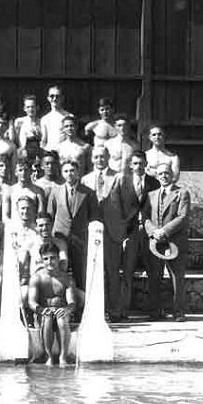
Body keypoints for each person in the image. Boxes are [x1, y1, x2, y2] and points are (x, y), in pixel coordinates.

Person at [143, 162, 191, 321]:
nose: (163, 176)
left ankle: (178, 313)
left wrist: (165, 231)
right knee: (154, 277)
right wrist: (153, 232)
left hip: (175, 242)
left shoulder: (182, 193)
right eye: (161, 174)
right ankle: (155, 312)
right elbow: (145, 218)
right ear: (157, 176)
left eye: (167, 173)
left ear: (172, 175)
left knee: (177, 278)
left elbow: (182, 217)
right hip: (155, 242)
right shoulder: (151, 195)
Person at [117, 151, 159, 320]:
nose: (138, 167)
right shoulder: (123, 182)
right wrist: (122, 232)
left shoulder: (154, 182)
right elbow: (118, 207)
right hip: (130, 232)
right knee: (127, 272)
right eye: (135, 163)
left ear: (146, 164)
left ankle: (155, 310)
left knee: (153, 271)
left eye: (141, 163)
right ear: (130, 165)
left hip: (149, 231)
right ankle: (123, 310)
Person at [81, 145, 123, 314]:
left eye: (102, 157)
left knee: (112, 272)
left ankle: (114, 310)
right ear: (92, 159)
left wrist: (122, 229)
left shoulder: (118, 177)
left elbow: (126, 205)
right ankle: (96, 310)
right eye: (96, 157)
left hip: (112, 231)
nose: (99, 160)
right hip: (92, 231)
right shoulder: (85, 179)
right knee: (93, 271)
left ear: (108, 157)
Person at [47, 159, 99, 292]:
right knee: (60, 271)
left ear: (78, 173)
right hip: (60, 239)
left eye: (72, 171)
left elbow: (94, 218)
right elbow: (49, 217)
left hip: (80, 239)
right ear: (62, 173)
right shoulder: (55, 192)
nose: (69, 174)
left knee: (80, 273)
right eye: (66, 171)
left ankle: (81, 306)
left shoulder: (88, 193)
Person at [28, 243, 77, 366]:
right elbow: (31, 302)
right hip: (44, 314)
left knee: (61, 319)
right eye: (46, 259)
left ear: (58, 258)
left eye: (52, 258)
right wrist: (41, 310)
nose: (49, 262)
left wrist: (66, 309)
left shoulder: (66, 278)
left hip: (61, 312)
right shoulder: (36, 278)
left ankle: (63, 356)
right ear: (41, 260)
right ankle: (48, 356)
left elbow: (72, 302)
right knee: (47, 318)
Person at [40, 85, 73, 152]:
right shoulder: (45, 119)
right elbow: (44, 140)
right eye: (52, 96)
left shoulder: (69, 117)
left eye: (57, 96)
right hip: (49, 153)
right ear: (48, 98)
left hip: (64, 152)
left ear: (62, 98)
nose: (54, 99)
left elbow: (73, 138)